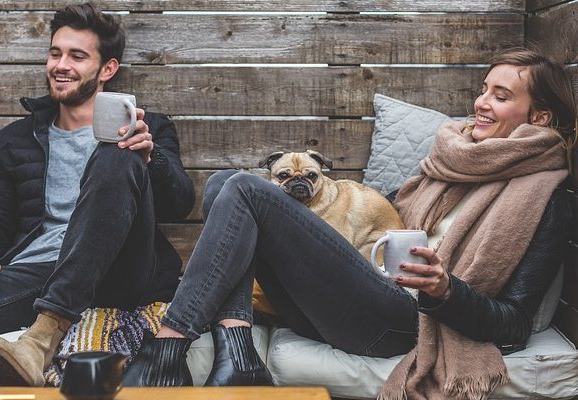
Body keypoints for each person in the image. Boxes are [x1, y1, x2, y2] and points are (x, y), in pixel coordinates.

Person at [120, 48, 575, 398]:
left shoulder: (543, 196)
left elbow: (514, 322)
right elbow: (390, 216)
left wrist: (445, 290)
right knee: (223, 184)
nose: (481, 103)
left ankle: (166, 349)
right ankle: (238, 353)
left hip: (405, 321)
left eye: (501, 95)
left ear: (539, 117)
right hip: (362, 295)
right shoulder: (454, 161)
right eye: (483, 89)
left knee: (243, 187)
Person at [0, 2, 194, 387]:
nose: (61, 65)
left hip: (118, 271)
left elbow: (180, 203)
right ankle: (51, 315)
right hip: (35, 277)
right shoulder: (15, 141)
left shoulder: (148, 127)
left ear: (107, 68)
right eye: (55, 53)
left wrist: (150, 155)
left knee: (117, 150)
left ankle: (44, 334)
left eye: (77, 56)